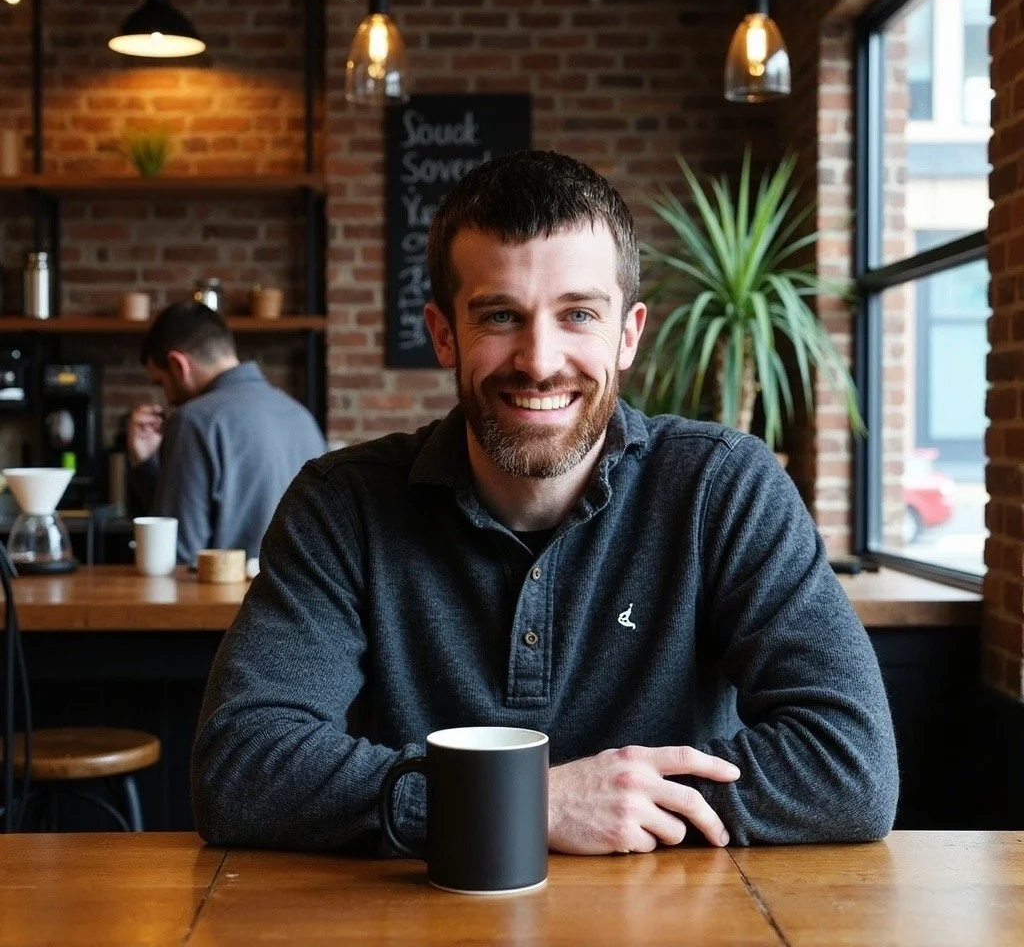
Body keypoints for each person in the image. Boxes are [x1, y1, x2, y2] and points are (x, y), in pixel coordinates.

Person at [192, 150, 899, 855]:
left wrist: (611, 806)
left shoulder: (723, 487)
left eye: (578, 314)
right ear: (444, 334)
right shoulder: (342, 504)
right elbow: (241, 766)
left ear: (628, 334)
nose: (539, 358)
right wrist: (535, 803)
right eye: (500, 315)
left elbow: (852, 765)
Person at [127, 300, 327, 565]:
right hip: (306, 603)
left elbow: (176, 556)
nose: (167, 397)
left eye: (161, 383)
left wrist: (143, 468)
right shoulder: (300, 416)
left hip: (225, 605)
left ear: (178, 365)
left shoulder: (194, 421)